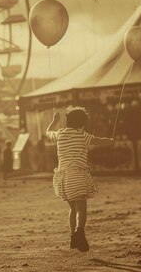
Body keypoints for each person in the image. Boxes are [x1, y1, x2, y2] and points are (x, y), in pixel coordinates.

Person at [46, 107, 114, 253]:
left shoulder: (60, 134)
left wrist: (54, 121)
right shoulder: (83, 135)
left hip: (63, 178)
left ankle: (73, 237)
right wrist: (110, 141)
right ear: (83, 124)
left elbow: (48, 132)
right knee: (81, 209)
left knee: (72, 208)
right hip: (77, 176)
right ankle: (80, 233)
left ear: (68, 121)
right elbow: (100, 141)